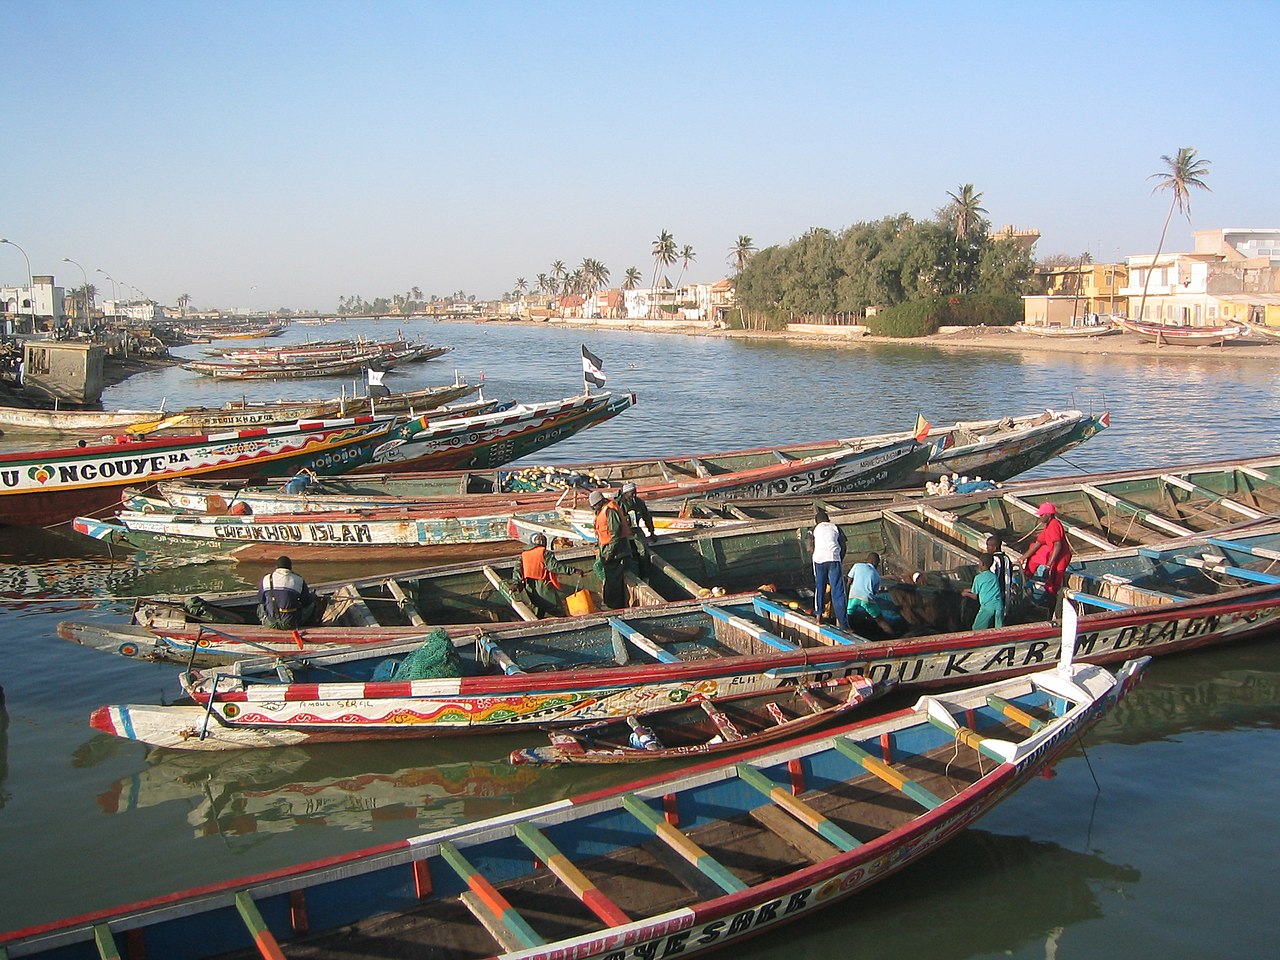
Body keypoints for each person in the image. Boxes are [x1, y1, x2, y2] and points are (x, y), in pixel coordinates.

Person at [846, 552, 908, 637]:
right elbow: (873, 594)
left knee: (848, 617)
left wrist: (846, 597)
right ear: (877, 564)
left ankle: (848, 632)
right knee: (880, 620)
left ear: (867, 560)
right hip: (866, 599)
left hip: (852, 597)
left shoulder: (857, 566)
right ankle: (893, 636)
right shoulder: (876, 575)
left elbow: (849, 581)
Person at [591, 490, 635, 609]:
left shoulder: (610, 511)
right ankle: (610, 603)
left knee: (614, 580)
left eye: (595, 505)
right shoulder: (602, 511)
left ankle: (615, 606)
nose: (594, 508)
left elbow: (615, 534)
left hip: (616, 552)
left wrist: (610, 553)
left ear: (600, 502)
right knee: (610, 578)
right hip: (607, 550)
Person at [1022, 502, 1072, 605]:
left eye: (1042, 515)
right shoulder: (1047, 526)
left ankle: (1051, 604)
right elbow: (1037, 544)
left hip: (1061, 557)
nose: (1040, 517)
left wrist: (1048, 566)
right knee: (1033, 556)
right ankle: (1027, 577)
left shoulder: (1054, 524)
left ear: (1048, 515)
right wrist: (1023, 558)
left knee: (1053, 582)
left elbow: (1058, 545)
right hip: (1053, 556)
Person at [519, 532, 576, 618]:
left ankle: (537, 627)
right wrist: (573, 570)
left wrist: (516, 583)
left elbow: (517, 570)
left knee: (537, 609)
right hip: (543, 585)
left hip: (529, 586)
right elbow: (554, 567)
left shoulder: (524, 554)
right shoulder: (544, 553)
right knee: (556, 609)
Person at [809, 508, 849, 629]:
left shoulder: (813, 529)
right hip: (833, 559)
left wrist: (816, 553)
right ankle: (844, 624)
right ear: (828, 520)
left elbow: (809, 547)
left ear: (816, 522)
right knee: (838, 591)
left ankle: (819, 617)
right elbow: (843, 545)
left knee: (820, 588)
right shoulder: (835, 527)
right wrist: (839, 559)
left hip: (819, 560)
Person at [257, 555, 317, 630]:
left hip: (270, 622)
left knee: (261, 605)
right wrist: (313, 596)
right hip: (290, 623)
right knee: (311, 604)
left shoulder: (266, 579)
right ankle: (311, 623)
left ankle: (264, 623)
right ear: (290, 567)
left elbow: (261, 599)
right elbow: (306, 602)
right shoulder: (298, 579)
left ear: (276, 567)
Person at [617, 481, 655, 572]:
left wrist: (652, 532)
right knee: (625, 554)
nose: (634, 495)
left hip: (635, 530)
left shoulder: (639, 503)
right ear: (625, 494)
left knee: (644, 551)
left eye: (635, 493)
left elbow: (647, 517)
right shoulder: (618, 504)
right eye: (631, 494)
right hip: (622, 533)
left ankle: (645, 574)